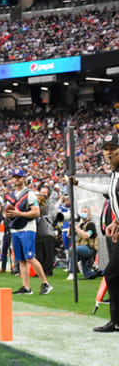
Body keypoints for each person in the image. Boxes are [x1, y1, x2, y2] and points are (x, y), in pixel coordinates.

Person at [72, 132, 119, 332]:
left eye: (113, 149)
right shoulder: (115, 175)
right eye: (106, 149)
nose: (109, 153)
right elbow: (109, 194)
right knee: (114, 274)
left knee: (112, 272)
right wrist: (116, 222)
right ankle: (115, 321)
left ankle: (115, 321)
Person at [4, 169, 53, 295]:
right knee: (21, 259)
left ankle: (45, 283)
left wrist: (19, 213)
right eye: (15, 177)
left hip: (27, 227)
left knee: (30, 257)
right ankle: (26, 287)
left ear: (24, 179)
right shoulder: (11, 195)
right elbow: (7, 212)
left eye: (19, 177)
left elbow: (36, 212)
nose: (17, 179)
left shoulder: (30, 194)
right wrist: (7, 214)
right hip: (15, 228)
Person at [67, 206, 98, 280]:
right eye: (82, 211)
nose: (83, 213)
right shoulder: (79, 225)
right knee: (87, 275)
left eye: (85, 211)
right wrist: (71, 225)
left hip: (89, 249)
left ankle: (72, 273)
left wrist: (76, 228)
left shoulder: (91, 225)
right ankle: (100, 272)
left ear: (89, 214)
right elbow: (69, 235)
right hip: (80, 249)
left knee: (73, 249)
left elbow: (86, 236)